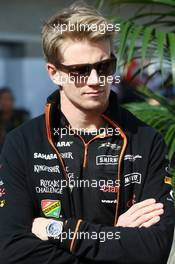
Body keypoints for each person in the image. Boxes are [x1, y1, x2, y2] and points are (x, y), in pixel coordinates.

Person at [0, 3, 174, 264]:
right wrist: (116, 237)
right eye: (80, 71)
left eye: (104, 67)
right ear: (54, 73)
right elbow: (11, 250)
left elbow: (153, 249)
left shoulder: (147, 141)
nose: (95, 80)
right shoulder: (21, 143)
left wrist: (54, 230)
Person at [0, 87, 30, 152]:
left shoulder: (21, 116)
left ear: (12, 101)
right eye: (2, 99)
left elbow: (27, 136)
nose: (4, 102)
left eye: (7, 99)